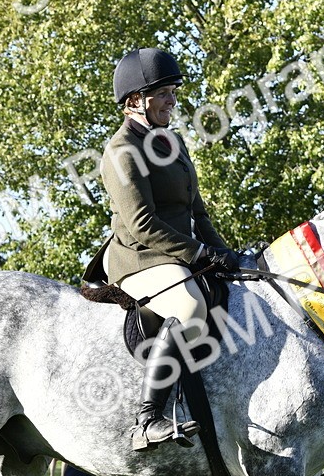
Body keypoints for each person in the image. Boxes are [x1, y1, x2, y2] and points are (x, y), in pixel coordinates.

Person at [83, 47, 240, 453]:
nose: (173, 100)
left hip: (180, 252)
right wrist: (200, 255)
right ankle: (147, 420)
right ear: (135, 101)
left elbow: (196, 211)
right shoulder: (121, 152)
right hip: (140, 256)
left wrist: (226, 254)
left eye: (173, 91)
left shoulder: (172, 142)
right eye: (164, 93)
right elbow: (143, 224)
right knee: (188, 308)